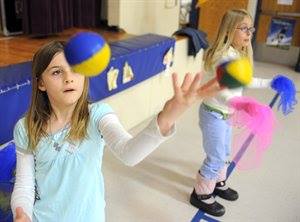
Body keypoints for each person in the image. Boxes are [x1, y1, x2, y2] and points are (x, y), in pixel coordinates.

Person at [11, 40, 220, 222]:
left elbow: (129, 153)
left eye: (75, 68)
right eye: (57, 72)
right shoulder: (26, 127)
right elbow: (25, 185)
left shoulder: (98, 115)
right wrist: (22, 214)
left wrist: (167, 118)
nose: (69, 77)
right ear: (41, 84)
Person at [189, 9, 273, 217]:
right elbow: (223, 92)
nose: (249, 33)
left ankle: (218, 182)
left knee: (225, 152)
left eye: (250, 29)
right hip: (213, 113)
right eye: (243, 28)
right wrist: (242, 105)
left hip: (225, 115)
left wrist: (271, 82)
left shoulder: (237, 54)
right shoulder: (223, 57)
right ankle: (200, 194)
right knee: (216, 155)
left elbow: (244, 81)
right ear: (228, 31)